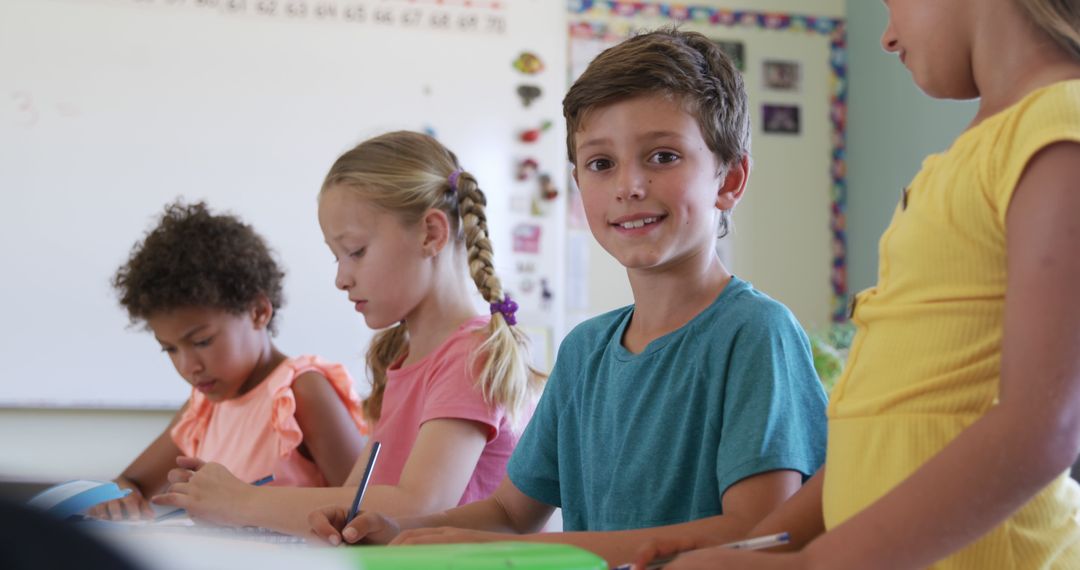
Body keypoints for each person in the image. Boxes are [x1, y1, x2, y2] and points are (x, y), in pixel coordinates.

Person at [308, 29, 829, 567]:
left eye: (663, 156)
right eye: (601, 164)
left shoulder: (756, 334)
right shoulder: (585, 351)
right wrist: (400, 528)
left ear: (731, 178)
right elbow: (512, 513)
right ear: (579, 183)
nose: (629, 185)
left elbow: (758, 533)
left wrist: (511, 547)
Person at [632, 1, 1080, 568]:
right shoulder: (968, 156)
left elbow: (1042, 430)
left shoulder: (1058, 126)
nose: (887, 38)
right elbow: (881, 424)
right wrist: (749, 547)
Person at [152, 131, 544, 536]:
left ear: (431, 233)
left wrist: (243, 502)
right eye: (336, 257)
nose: (341, 278)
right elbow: (355, 499)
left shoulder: (470, 354)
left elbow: (418, 504)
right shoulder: (402, 359)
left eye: (355, 251)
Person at [91, 201, 368, 520]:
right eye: (170, 349)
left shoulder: (300, 392)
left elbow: (360, 509)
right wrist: (121, 500)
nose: (188, 366)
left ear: (258, 312)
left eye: (202, 342)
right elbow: (131, 483)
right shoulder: (203, 409)